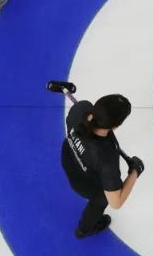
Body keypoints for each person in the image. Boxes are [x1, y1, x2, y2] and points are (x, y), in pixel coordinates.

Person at [61, 94, 144, 239]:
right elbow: (116, 202)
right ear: (116, 126)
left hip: (68, 156)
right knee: (101, 199)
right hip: (84, 183)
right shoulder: (107, 159)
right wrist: (135, 172)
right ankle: (84, 229)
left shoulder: (81, 108)